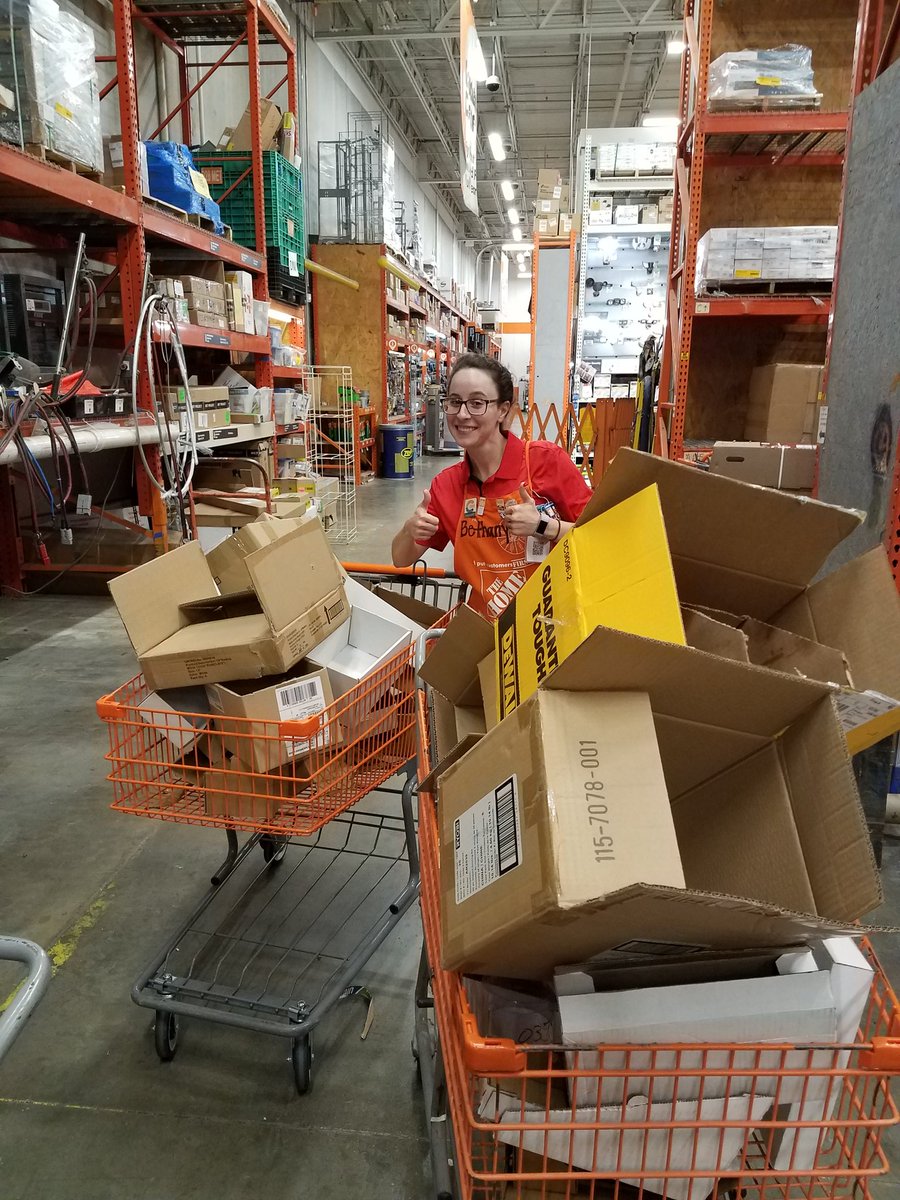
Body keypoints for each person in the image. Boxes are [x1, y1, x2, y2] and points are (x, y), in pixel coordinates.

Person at [391, 352, 593, 619]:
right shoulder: (447, 485)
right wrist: (409, 530)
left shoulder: (545, 461)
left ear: (503, 410)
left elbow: (599, 534)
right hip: (485, 634)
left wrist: (544, 526)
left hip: (553, 628)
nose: (462, 414)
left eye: (477, 403)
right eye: (454, 402)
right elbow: (401, 559)